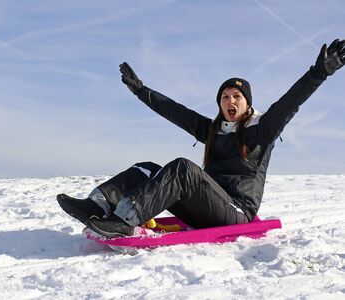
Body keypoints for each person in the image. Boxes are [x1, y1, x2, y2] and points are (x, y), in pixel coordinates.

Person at [57, 39, 345, 238]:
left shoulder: (264, 128)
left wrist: (320, 72)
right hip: (204, 207)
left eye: (236, 96)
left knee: (183, 168)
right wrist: (141, 91)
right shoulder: (213, 130)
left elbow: (291, 101)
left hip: (235, 211)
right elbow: (175, 111)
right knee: (145, 169)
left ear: (246, 102)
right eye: (224, 97)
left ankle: (124, 221)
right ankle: (97, 206)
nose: (230, 100)